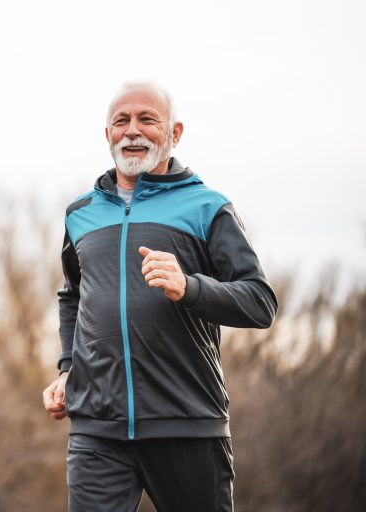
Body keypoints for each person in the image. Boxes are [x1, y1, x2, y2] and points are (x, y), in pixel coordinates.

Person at [42, 81, 278, 512]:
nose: (133, 131)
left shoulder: (208, 207)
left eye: (148, 119)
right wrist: (67, 368)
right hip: (97, 430)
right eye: (122, 121)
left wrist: (189, 287)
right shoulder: (80, 214)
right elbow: (73, 296)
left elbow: (260, 302)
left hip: (188, 425)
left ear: (175, 133)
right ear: (107, 134)